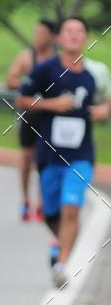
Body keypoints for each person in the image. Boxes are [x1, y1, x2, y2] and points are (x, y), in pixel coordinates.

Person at [17, 17, 111, 289]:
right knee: (51, 213)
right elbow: (22, 99)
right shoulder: (45, 70)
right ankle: (61, 242)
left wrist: (104, 110)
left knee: (71, 209)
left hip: (81, 154)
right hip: (49, 153)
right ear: (59, 38)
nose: (74, 35)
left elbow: (107, 99)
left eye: (79, 31)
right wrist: (52, 104)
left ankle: (61, 265)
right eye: (68, 31)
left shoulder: (95, 72)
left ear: (85, 38)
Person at [7, 19, 57, 222]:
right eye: (35, 33)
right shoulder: (26, 57)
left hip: (49, 115)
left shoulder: (57, 61)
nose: (37, 37)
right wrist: (29, 84)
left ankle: (42, 202)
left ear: (52, 37)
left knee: (44, 159)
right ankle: (25, 199)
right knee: (27, 158)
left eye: (41, 33)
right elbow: (10, 80)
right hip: (28, 113)